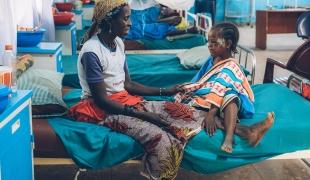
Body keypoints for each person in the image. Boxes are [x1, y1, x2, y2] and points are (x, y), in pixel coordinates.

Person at [68, 1, 274, 179]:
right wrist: (145, 115)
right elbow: (102, 100)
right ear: (107, 21)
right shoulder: (91, 52)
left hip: (125, 100)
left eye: (129, 17)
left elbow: (128, 85)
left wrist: (166, 91)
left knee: (182, 111)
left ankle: (245, 131)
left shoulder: (118, 43)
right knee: (161, 137)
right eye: (125, 19)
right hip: (100, 110)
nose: (130, 23)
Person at [175, 22, 275, 153]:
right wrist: (190, 88)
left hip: (232, 102)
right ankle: (248, 132)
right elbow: (202, 79)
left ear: (227, 44)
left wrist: (211, 114)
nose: (210, 46)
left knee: (230, 95)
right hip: (211, 97)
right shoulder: (213, 58)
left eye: (215, 43)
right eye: (209, 42)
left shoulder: (231, 65)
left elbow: (221, 86)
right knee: (200, 108)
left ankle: (228, 137)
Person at [125, 3, 198, 40]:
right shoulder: (155, 10)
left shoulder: (166, 26)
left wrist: (188, 30)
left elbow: (169, 30)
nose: (164, 8)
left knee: (136, 28)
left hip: (140, 28)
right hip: (135, 21)